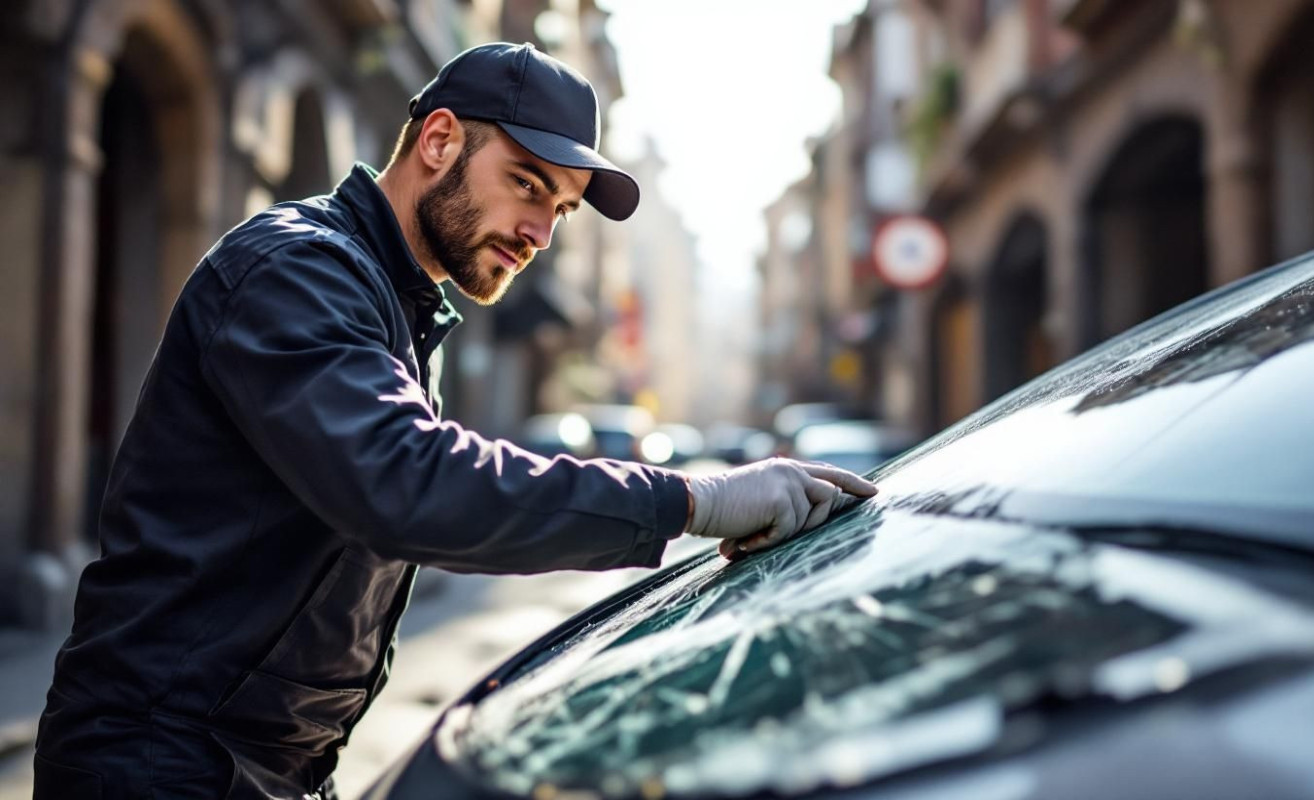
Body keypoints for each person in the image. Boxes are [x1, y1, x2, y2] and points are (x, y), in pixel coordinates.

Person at [34, 42, 877, 799]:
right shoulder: (295, 268)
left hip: (268, 768)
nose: (543, 232)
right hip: (156, 762)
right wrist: (694, 502)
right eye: (527, 185)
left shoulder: (393, 304)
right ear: (439, 141)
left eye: (564, 209)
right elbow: (405, 483)